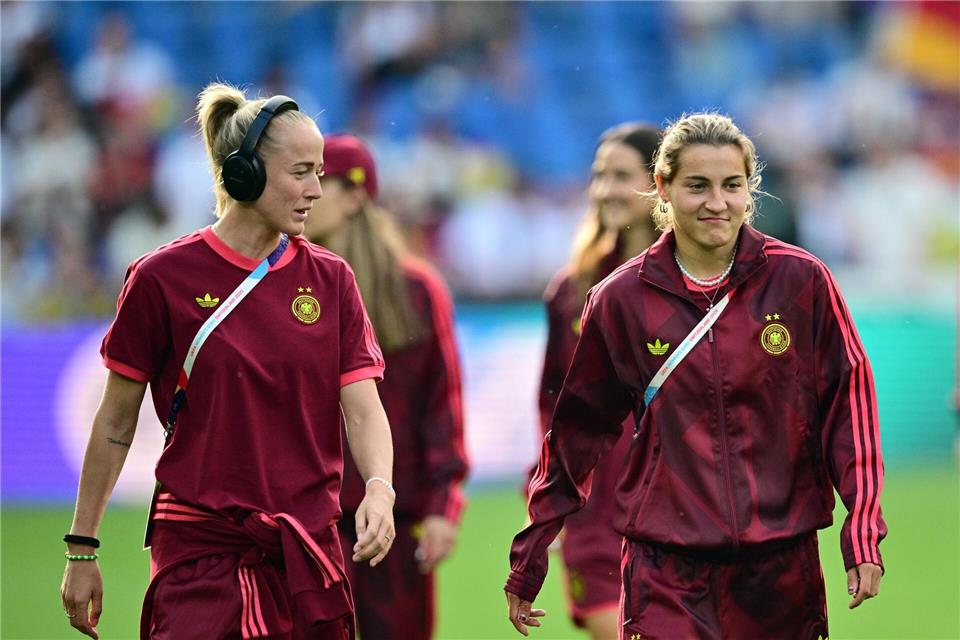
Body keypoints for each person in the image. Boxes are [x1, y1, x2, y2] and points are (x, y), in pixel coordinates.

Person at [506, 112, 886, 639]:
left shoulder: (801, 281)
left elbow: (850, 409)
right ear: (662, 187)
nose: (716, 202)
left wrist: (862, 525)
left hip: (780, 569)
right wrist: (533, 549)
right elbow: (574, 431)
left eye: (731, 186)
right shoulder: (619, 299)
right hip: (666, 570)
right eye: (697, 186)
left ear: (749, 188)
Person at [60, 83, 397, 640]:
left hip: (307, 552)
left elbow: (362, 410)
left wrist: (380, 489)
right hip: (199, 552)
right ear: (244, 175)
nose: (317, 189)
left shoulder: (332, 279)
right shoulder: (160, 279)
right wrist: (82, 548)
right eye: (302, 172)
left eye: (321, 172)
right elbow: (116, 423)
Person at [304, 134, 468, 640]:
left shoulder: (417, 290)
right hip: (304, 520)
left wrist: (444, 506)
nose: (305, 191)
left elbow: (441, 407)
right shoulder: (279, 286)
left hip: (392, 521)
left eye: (318, 179)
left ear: (354, 195)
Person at [533, 122, 660, 640]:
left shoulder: (700, 284)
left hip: (684, 509)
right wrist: (545, 494)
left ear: (661, 184)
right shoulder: (571, 291)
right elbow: (553, 407)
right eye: (598, 175)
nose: (604, 189)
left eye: (621, 175)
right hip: (595, 509)